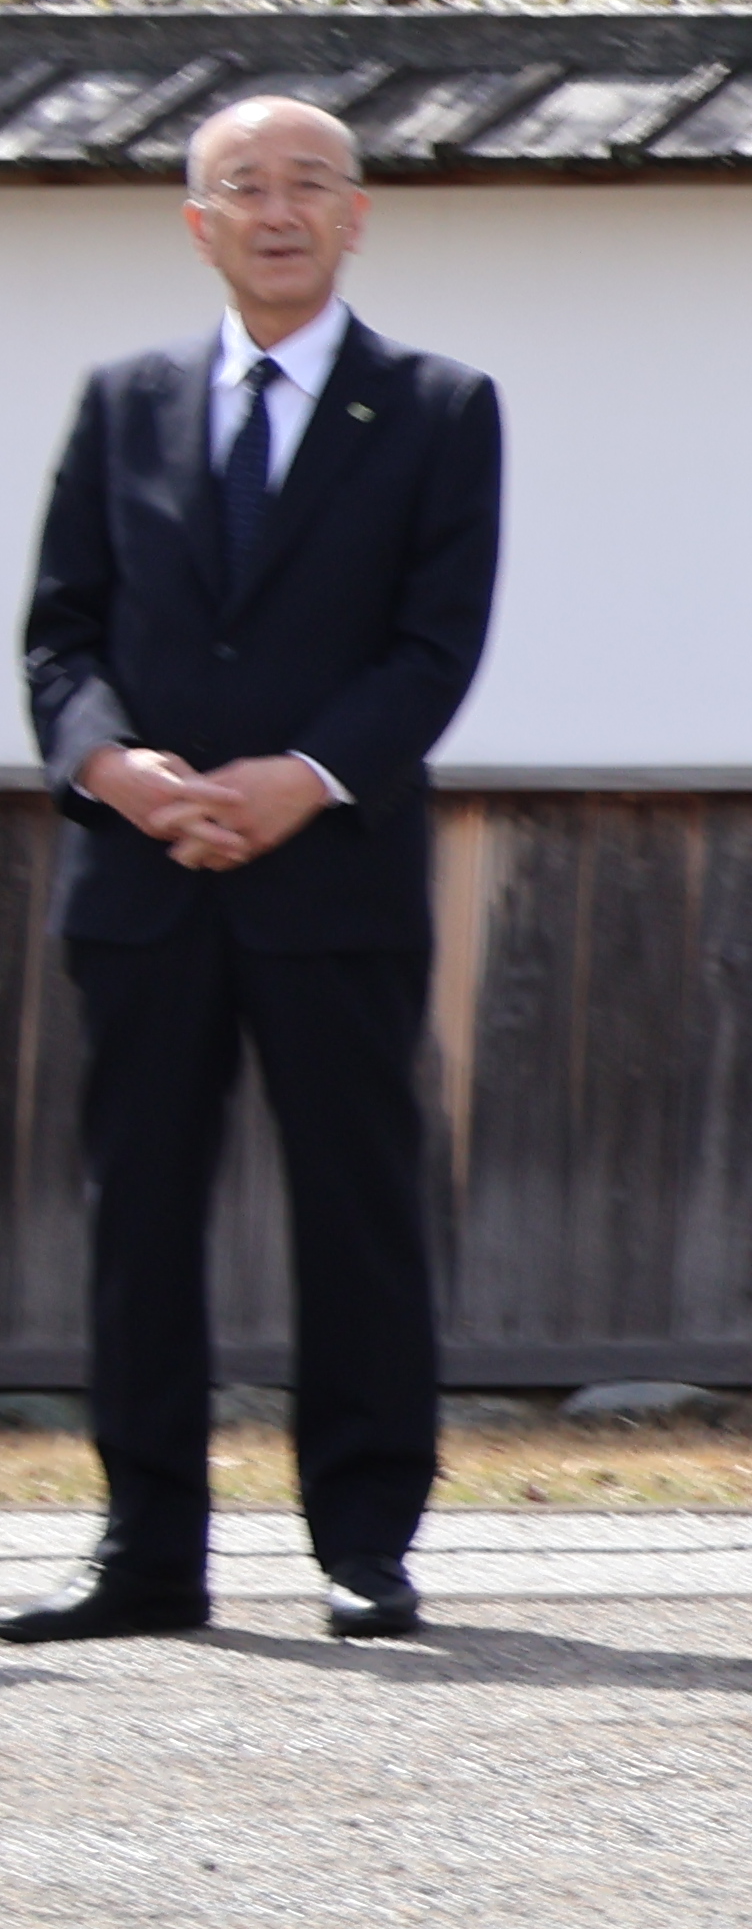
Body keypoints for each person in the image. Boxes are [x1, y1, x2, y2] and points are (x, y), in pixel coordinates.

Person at [12, 96, 501, 1645]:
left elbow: (435, 646)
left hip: (332, 870)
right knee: (138, 1214)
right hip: (143, 875)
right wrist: (114, 769)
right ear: (198, 222)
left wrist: (302, 778)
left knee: (359, 1211)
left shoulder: (437, 406)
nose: (277, 211)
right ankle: (147, 1548)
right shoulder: (125, 400)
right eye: (244, 186)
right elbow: (60, 634)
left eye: (308, 185)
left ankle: (365, 1540)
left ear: (357, 215)